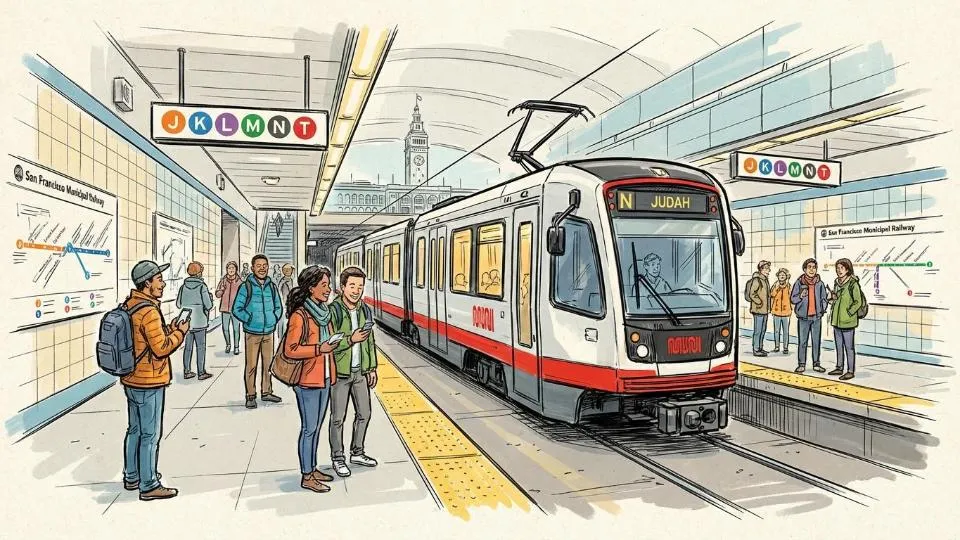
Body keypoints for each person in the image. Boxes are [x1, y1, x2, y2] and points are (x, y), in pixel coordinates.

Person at [122, 260, 189, 501]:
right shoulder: (149, 311)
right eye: (159, 279)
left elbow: (147, 340)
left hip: (131, 378)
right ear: (147, 282)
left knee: (135, 429)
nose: (162, 283)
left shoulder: (131, 304)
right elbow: (160, 348)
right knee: (150, 434)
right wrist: (180, 332)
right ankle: (149, 484)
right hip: (149, 380)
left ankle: (132, 476)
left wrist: (169, 328)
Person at [283, 265, 339, 493]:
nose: (328, 290)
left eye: (328, 285)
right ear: (311, 288)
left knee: (316, 427)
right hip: (307, 380)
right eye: (323, 285)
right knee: (309, 428)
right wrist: (320, 348)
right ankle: (307, 476)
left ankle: (312, 468)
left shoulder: (323, 313)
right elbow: (291, 349)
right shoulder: (300, 316)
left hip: (325, 377)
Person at [329, 267, 378, 477]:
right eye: (352, 286)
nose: (356, 291)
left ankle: (357, 452)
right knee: (338, 418)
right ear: (342, 287)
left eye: (360, 286)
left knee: (364, 414)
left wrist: (372, 367)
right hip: (340, 372)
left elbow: (369, 342)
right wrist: (350, 339)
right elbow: (328, 343)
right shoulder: (333, 310)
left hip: (360, 372)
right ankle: (338, 458)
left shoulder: (365, 310)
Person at [232, 254, 284, 409]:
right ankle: (250, 395)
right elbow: (236, 308)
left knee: (268, 364)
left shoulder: (272, 286)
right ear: (253, 268)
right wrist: (249, 319)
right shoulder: (245, 286)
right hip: (252, 333)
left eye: (265, 265)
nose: (262, 268)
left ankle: (266, 392)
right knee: (252, 365)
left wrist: (273, 318)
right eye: (259, 265)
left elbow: (278, 306)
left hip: (268, 332)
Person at [176, 261, 214, 381]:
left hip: (186, 322)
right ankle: (201, 372)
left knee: (188, 347)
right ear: (199, 273)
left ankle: (187, 371)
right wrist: (210, 298)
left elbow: (178, 304)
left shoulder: (183, 287)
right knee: (200, 347)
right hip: (200, 321)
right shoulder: (202, 287)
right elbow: (208, 305)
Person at [790, 258, 829, 374]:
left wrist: (822, 309)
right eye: (809, 267)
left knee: (816, 341)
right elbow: (792, 299)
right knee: (802, 342)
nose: (812, 269)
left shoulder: (820, 283)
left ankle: (816, 364)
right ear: (805, 269)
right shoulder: (799, 282)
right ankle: (801, 364)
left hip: (816, 317)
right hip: (803, 317)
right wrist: (800, 296)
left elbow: (824, 299)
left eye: (814, 267)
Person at [828, 258, 864, 380]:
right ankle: (839, 367)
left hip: (848, 321)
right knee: (838, 346)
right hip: (836, 320)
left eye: (841, 268)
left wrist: (849, 312)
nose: (839, 271)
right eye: (837, 268)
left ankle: (850, 370)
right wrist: (832, 298)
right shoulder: (836, 282)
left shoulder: (853, 284)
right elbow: (836, 300)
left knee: (849, 347)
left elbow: (858, 301)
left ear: (847, 269)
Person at [215, 262, 243, 355]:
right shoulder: (223, 280)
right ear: (226, 270)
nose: (231, 270)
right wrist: (221, 290)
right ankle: (228, 344)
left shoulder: (239, 281)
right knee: (225, 328)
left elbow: (243, 295)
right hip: (225, 309)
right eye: (229, 268)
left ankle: (236, 347)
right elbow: (217, 294)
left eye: (233, 268)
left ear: (236, 270)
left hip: (235, 310)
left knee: (236, 328)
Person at [747, 261, 772, 356]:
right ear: (761, 269)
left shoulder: (765, 280)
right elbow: (752, 293)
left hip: (764, 310)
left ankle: (760, 347)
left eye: (768, 268)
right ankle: (756, 349)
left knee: (762, 330)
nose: (768, 270)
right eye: (766, 268)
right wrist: (759, 302)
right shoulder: (757, 280)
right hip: (758, 309)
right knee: (758, 330)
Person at [770, 268, 793, 355]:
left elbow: (792, 297)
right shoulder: (775, 285)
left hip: (786, 312)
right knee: (776, 330)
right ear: (778, 276)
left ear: (786, 276)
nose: (782, 276)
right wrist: (776, 288)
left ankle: (785, 347)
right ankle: (777, 346)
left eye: (783, 275)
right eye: (780, 275)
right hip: (776, 311)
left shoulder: (789, 286)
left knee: (786, 331)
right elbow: (772, 295)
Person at [277, 264, 296, 339]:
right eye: (286, 270)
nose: (288, 271)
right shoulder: (283, 281)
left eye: (289, 270)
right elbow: (279, 292)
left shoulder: (292, 280)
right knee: (283, 323)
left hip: (291, 304)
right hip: (284, 304)